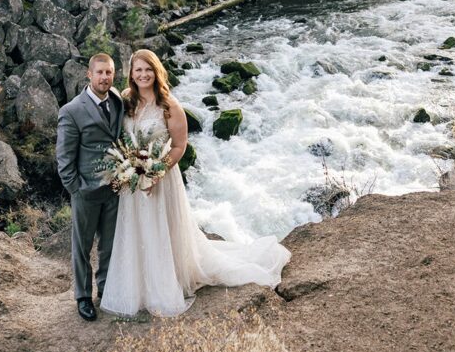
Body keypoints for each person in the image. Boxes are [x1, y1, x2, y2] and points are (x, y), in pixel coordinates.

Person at [100, 48, 291, 317]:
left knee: (161, 229)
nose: (143, 74)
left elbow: (179, 146)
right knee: (137, 231)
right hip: (132, 178)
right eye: (138, 69)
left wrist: (155, 171)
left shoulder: (169, 105)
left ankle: (165, 283)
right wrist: (127, 168)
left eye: (148, 69)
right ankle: (139, 285)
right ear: (131, 73)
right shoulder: (126, 101)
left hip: (161, 179)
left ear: (156, 72)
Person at [55, 52, 124, 322]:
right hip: (85, 191)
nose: (104, 77)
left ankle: (105, 290)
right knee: (82, 247)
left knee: (109, 245)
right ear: (89, 74)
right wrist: (76, 188)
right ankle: (83, 296)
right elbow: (64, 157)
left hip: (115, 189)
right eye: (100, 73)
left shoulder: (117, 101)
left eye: (109, 73)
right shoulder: (71, 111)